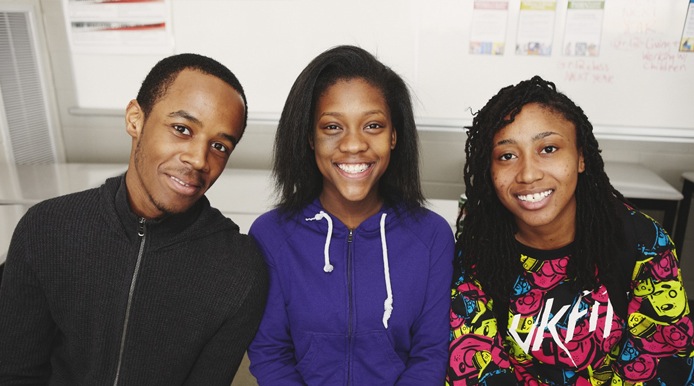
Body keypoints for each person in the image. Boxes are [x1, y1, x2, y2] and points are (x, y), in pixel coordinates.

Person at [0, 53, 269, 385]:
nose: (199, 159)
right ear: (135, 120)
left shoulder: (240, 270)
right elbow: (15, 372)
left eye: (219, 146)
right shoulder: (45, 229)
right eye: (182, 129)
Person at [446, 75, 694, 385]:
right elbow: (474, 366)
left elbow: (665, 361)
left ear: (580, 158)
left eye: (548, 148)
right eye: (507, 156)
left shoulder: (643, 244)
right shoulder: (477, 250)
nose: (528, 173)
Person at [246, 45, 455, 385]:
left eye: (373, 125)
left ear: (394, 137)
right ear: (310, 138)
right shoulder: (271, 235)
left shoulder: (432, 236)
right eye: (332, 127)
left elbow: (430, 354)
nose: (354, 144)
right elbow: (271, 354)